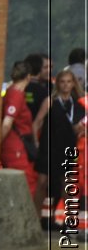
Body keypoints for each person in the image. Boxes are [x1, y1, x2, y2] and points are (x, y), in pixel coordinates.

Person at [35, 67, 87, 224]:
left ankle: (69, 220)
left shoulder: (78, 106)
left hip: (67, 147)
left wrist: (80, 131)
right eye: (62, 82)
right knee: (42, 182)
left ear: (73, 84)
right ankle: (35, 218)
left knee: (67, 184)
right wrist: (36, 143)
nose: (65, 85)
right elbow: (38, 122)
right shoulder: (50, 102)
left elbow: (80, 126)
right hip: (49, 146)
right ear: (58, 84)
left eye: (69, 82)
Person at [0, 61, 39, 205]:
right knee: (25, 181)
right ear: (28, 76)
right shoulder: (16, 95)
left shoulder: (12, 91)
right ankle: (21, 215)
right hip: (15, 146)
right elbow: (7, 123)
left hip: (17, 143)